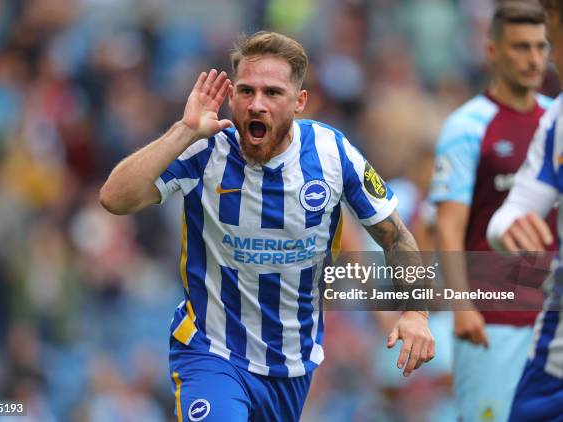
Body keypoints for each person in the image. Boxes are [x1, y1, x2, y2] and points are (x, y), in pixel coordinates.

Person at [99, 31, 434, 421]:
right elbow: (114, 198)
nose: (257, 105)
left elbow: (395, 236)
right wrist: (183, 130)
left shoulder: (333, 155)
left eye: (272, 93)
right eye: (246, 91)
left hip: (291, 367)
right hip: (211, 352)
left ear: (299, 102)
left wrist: (415, 311)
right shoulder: (204, 148)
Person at [429, 2, 554, 421]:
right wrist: (462, 307)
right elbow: (447, 229)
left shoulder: (554, 120)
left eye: (541, 46)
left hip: (549, 318)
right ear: (493, 50)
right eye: (521, 47)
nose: (534, 58)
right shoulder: (468, 126)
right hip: (493, 317)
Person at [487, 1, 563, 420]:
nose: (550, 58)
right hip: (557, 356)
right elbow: (513, 210)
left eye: (552, 41)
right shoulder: (557, 120)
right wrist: (509, 227)